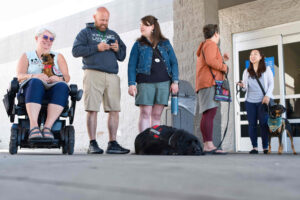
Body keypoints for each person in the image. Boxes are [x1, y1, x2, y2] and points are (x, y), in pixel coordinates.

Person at [72, 7, 129, 154]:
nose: (104, 23)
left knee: (114, 110)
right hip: (92, 73)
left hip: (112, 76)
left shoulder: (113, 34)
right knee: (92, 109)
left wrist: (117, 49)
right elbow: (76, 51)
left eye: (106, 20)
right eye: (101, 19)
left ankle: (113, 143)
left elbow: (122, 56)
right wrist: (97, 47)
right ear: (95, 17)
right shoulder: (86, 33)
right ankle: (92, 143)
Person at [16, 27, 70, 141]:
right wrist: (33, 76)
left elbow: (67, 77)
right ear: (37, 38)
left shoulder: (58, 56)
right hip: (32, 88)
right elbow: (19, 76)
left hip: (52, 88)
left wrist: (58, 78)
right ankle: (33, 126)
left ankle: (47, 128)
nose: (48, 41)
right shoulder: (27, 56)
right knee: (36, 82)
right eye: (45, 37)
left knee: (62, 86)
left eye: (51, 39)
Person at [128, 15, 179, 132]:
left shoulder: (165, 43)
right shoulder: (138, 45)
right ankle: (144, 144)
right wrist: (131, 83)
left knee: (156, 115)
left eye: (145, 25)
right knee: (145, 113)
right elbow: (131, 65)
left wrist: (175, 82)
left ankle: (154, 143)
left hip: (164, 83)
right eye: (140, 25)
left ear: (152, 27)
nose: (141, 27)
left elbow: (174, 63)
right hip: (145, 83)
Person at [195, 24, 229, 154]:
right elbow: (210, 61)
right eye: (218, 34)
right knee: (210, 113)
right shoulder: (211, 44)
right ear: (215, 33)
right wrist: (224, 67)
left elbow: (211, 61)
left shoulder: (205, 45)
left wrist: (222, 60)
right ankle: (208, 144)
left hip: (206, 82)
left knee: (208, 113)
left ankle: (207, 144)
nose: (219, 36)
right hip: (209, 82)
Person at [237, 49, 274, 154]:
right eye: (251, 54)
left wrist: (267, 96)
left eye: (255, 54)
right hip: (250, 102)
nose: (252, 56)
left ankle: (265, 147)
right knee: (252, 124)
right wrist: (242, 85)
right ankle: (254, 147)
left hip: (263, 101)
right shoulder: (246, 71)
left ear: (261, 57)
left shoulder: (267, 69)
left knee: (263, 124)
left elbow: (271, 84)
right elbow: (245, 88)